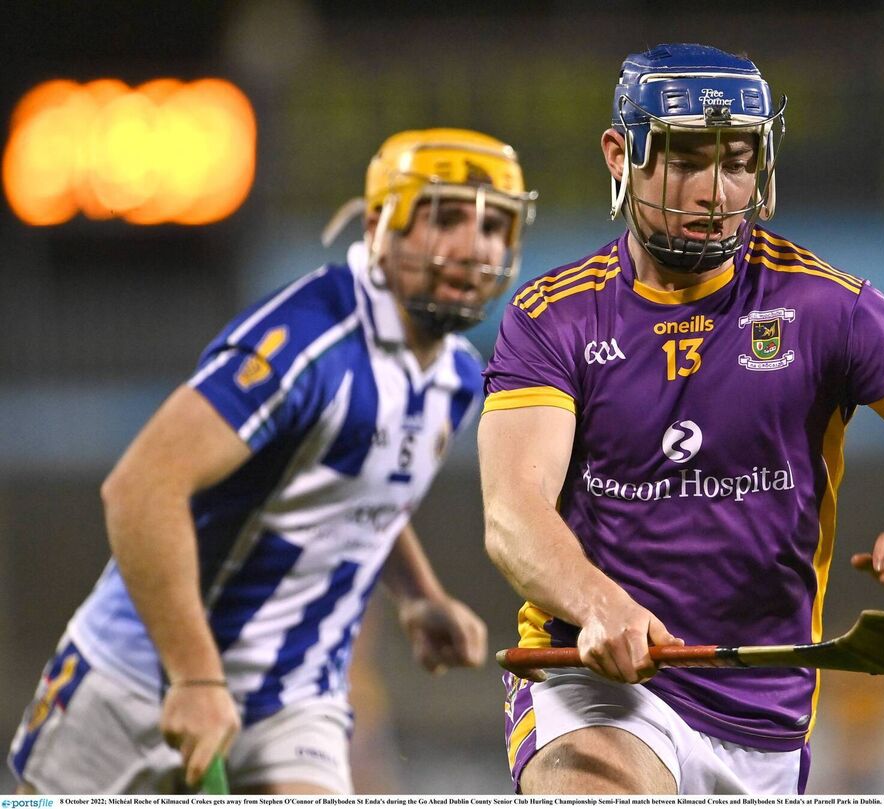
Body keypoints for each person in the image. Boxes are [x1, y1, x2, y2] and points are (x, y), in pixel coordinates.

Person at [478, 44, 884, 795]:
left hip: (764, 719)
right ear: (618, 153)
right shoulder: (553, 316)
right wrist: (599, 603)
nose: (715, 191)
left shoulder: (828, 308)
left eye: (736, 161)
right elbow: (512, 512)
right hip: (596, 683)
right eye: (686, 159)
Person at [9, 128, 537, 794]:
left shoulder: (457, 374)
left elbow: (361, 491)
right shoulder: (306, 343)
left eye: (496, 225)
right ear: (380, 226)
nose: (475, 246)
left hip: (296, 695)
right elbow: (140, 488)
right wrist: (197, 677)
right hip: (140, 677)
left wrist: (418, 597)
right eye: (448, 218)